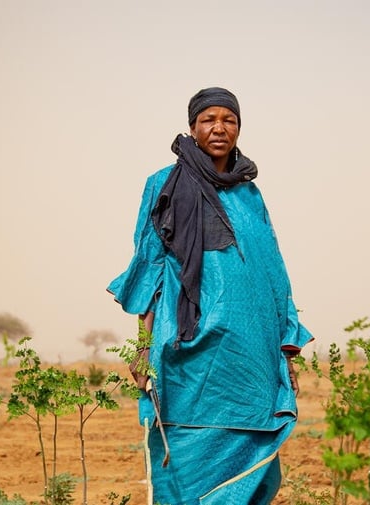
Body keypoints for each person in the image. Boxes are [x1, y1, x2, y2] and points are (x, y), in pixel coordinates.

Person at [107, 87, 313, 505]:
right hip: (188, 351)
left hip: (249, 357)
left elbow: (272, 272)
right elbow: (150, 268)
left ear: (239, 128)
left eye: (229, 120)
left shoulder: (249, 194)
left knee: (254, 463)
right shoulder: (162, 185)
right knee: (185, 461)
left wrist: (284, 352)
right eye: (209, 120)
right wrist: (144, 348)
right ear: (192, 128)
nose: (219, 128)